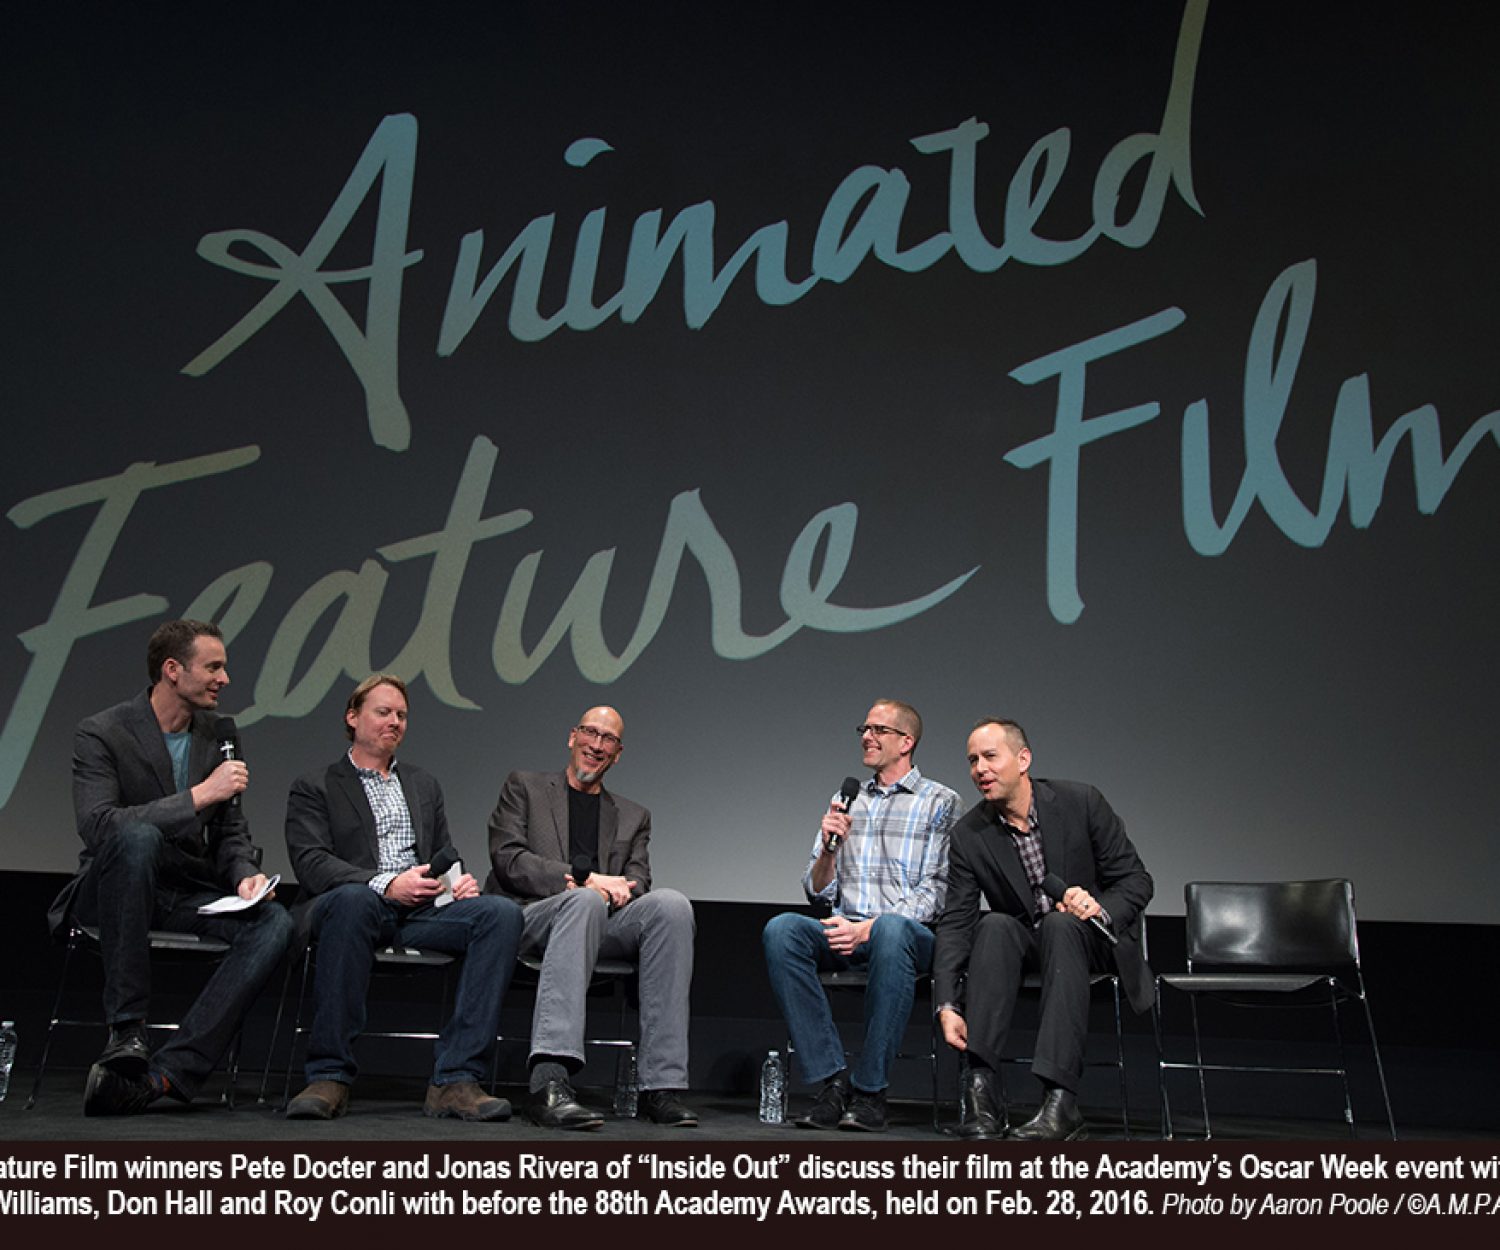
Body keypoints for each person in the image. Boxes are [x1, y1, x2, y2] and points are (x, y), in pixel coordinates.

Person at [49, 618, 293, 1115]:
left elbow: (229, 832)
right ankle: (127, 1033)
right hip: (111, 888)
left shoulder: (219, 733)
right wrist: (201, 794)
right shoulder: (102, 732)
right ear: (172, 670)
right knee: (134, 836)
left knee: (273, 923)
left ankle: (165, 1075)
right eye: (214, 667)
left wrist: (243, 873)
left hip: (182, 892)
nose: (224, 679)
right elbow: (99, 827)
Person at [283, 674, 523, 1121]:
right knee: (353, 901)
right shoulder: (316, 785)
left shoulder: (422, 784)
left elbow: (441, 854)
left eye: (401, 715)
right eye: (383, 712)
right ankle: (329, 1074)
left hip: (421, 910)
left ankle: (456, 1079)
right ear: (352, 718)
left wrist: (457, 883)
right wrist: (385, 884)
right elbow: (313, 863)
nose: (394, 722)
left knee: (500, 914)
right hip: (356, 904)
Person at [934, 718, 1153, 1141]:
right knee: (994, 925)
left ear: (1023, 759)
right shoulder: (969, 834)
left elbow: (1137, 880)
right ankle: (982, 1095)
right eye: (973, 760)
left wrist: (1099, 907)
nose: (980, 768)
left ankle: (1061, 1101)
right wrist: (946, 1002)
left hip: (1095, 938)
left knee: (1060, 923)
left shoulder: (1081, 802)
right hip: (1032, 941)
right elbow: (957, 920)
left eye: (990, 757)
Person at [484, 706, 696, 1129]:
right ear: (572, 736)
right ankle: (550, 1082)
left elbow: (637, 881)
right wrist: (587, 884)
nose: (596, 745)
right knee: (583, 902)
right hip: (531, 916)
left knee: (672, 907)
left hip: (599, 921)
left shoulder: (633, 816)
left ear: (618, 754)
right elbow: (508, 860)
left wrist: (610, 891)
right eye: (590, 733)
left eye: (608, 740)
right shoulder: (524, 787)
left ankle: (660, 1087)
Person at [762, 700, 959, 1132]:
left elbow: (937, 891)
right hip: (847, 928)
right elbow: (817, 890)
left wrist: (868, 928)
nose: (867, 737)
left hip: (909, 938)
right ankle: (833, 1083)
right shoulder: (845, 799)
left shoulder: (939, 802)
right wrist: (830, 847)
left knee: (890, 929)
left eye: (879, 730)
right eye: (864, 729)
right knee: (783, 931)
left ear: (906, 742)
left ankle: (870, 1092)